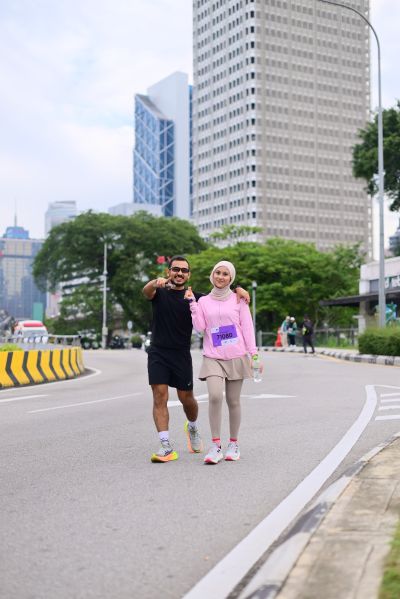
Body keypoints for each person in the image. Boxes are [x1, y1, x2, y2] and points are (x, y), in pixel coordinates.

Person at [142, 255, 250, 463]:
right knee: (159, 396)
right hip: (158, 352)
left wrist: (239, 289)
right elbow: (146, 291)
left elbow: (220, 295)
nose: (179, 273)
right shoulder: (159, 292)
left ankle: (192, 426)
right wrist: (155, 282)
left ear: (188, 275)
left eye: (184, 270)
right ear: (168, 272)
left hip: (181, 354)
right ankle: (165, 446)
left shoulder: (197, 297)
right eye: (175, 269)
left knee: (187, 398)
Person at [185, 260, 260, 464]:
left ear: (231, 278)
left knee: (233, 401)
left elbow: (247, 328)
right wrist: (192, 304)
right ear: (212, 275)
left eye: (225, 274)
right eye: (217, 272)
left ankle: (233, 444)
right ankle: (215, 445)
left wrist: (254, 355)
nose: (220, 276)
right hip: (213, 357)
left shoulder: (239, 299)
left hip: (236, 356)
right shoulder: (203, 301)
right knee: (215, 396)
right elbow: (200, 327)